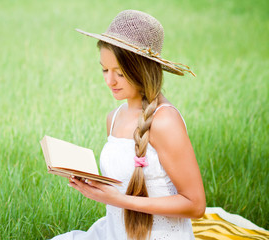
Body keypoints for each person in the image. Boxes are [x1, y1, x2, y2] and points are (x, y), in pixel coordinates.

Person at [51, 10, 206, 240]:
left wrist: (117, 200)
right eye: (104, 69)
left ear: (140, 70)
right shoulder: (113, 118)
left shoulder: (165, 122)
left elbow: (195, 205)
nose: (109, 81)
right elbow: (127, 178)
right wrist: (96, 184)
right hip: (115, 232)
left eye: (120, 73)